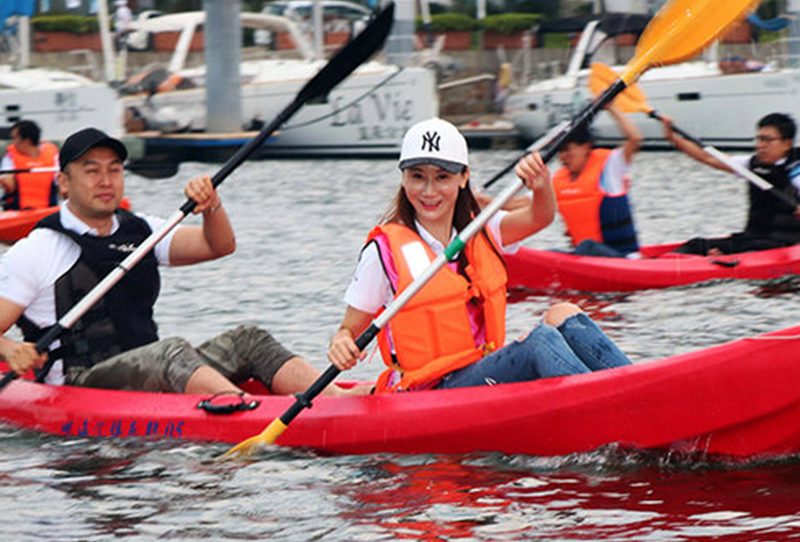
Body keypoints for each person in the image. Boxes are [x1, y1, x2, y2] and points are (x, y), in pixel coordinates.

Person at [0, 126, 360, 398]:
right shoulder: (37, 250)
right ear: (64, 183)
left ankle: (334, 400)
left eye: (114, 170)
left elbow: (217, 245)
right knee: (171, 351)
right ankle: (244, 410)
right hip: (82, 384)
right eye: (91, 171)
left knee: (249, 339)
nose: (105, 181)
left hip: (155, 367)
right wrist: (11, 348)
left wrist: (211, 206)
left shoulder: (141, 229)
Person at [327, 117, 631, 393]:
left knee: (563, 313)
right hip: (429, 391)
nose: (429, 191)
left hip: (483, 374)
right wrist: (341, 344)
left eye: (442, 177)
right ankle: (609, 408)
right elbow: (347, 331)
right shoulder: (383, 252)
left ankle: (634, 390)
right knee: (540, 343)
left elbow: (540, 217)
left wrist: (541, 186)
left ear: (463, 178)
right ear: (404, 178)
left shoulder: (480, 230)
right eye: (417, 176)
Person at [663, 112, 800, 254]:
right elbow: (709, 158)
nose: (761, 146)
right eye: (759, 139)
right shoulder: (751, 165)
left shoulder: (796, 170)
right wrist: (673, 138)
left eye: (768, 140)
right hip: (753, 237)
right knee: (695, 245)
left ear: (787, 144)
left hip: (787, 244)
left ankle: (722, 258)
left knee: (748, 249)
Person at [552, 104, 643, 257]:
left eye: (567, 149)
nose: (562, 157)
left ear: (586, 147)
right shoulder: (558, 180)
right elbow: (526, 204)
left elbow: (635, 139)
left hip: (624, 258)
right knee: (551, 254)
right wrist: (497, 205)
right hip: (585, 258)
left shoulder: (610, 165)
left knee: (587, 246)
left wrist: (612, 107)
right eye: (559, 151)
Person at [0, 120, 59, 210]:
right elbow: (9, 186)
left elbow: (62, 183)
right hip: (18, 212)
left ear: (26, 141)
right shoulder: (10, 157)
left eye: (15, 138)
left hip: (46, 211)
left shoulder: (52, 155)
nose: (13, 142)